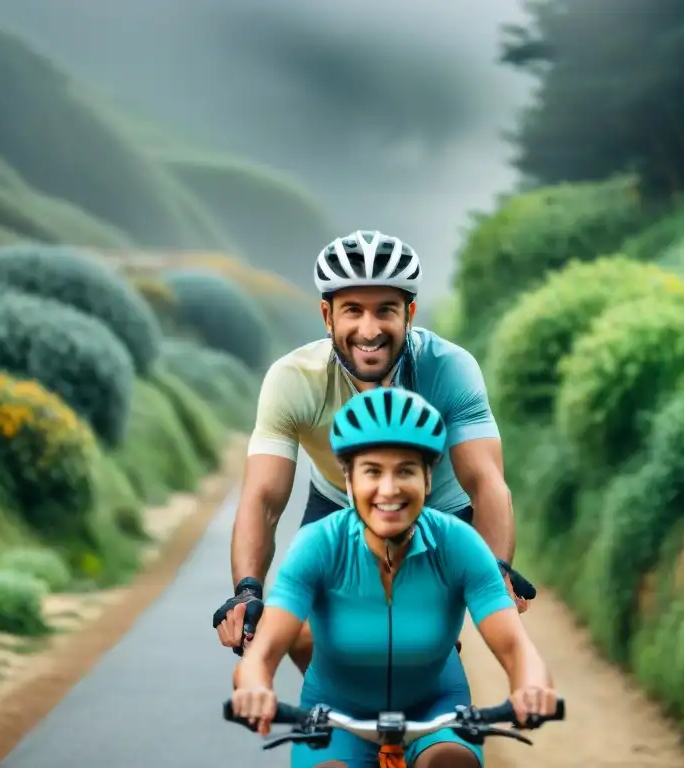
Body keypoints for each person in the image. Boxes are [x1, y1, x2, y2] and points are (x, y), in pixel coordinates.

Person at [215, 229, 531, 671]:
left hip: (439, 511)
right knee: (306, 636)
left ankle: (429, 710)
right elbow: (264, 500)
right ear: (327, 316)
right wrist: (247, 589)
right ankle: (339, 723)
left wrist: (495, 566)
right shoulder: (293, 380)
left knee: (419, 644)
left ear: (410, 313)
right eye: (353, 311)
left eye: (385, 310)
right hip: (338, 503)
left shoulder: (450, 369)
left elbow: (486, 484)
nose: (369, 329)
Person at [229, 387, 559, 768]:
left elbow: (516, 647)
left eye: (405, 470)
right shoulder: (316, 545)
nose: (389, 489)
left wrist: (531, 685)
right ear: (348, 482)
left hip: (436, 704)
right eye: (372, 471)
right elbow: (266, 649)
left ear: (428, 480)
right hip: (336, 713)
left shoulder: (460, 545)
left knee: (450, 762)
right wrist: (254, 684)